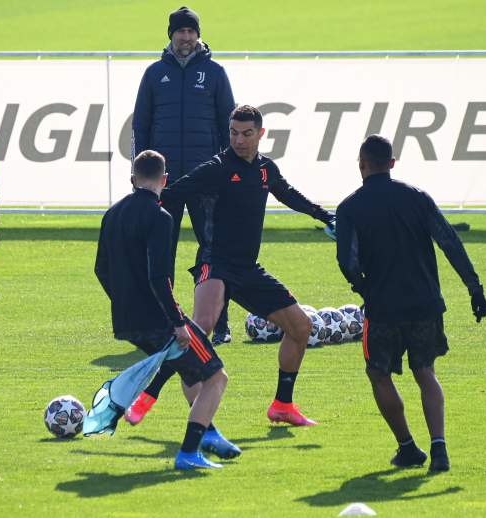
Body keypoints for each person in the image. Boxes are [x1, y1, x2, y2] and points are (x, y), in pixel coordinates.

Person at [135, 105, 336, 428]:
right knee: (199, 332)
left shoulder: (266, 171)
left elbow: (289, 195)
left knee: (301, 327)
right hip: (214, 264)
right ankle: (152, 395)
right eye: (233, 133)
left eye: (246, 134)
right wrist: (138, 208)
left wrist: (324, 216)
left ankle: (283, 405)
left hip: (248, 270)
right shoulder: (217, 167)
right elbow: (173, 192)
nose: (239, 140)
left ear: (260, 134)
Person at [336, 134, 486, 472]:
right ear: (391, 164)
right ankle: (439, 449)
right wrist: (474, 287)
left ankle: (407, 446)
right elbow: (449, 241)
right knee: (425, 372)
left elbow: (347, 262)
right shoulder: (418, 198)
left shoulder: (349, 208)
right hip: (425, 305)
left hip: (383, 308)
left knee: (378, 373)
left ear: (361, 163)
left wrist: (362, 287)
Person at [95, 150, 239, 469]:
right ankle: (189, 453)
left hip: (127, 320)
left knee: (190, 372)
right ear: (164, 180)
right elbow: (159, 277)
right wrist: (178, 323)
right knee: (216, 376)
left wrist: (124, 302)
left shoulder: (112, 214)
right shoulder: (160, 217)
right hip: (159, 319)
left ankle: (210, 433)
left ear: (133, 179)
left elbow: (101, 269)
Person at [126, 5, 236, 425]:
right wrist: (143, 172)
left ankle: (217, 324)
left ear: (198, 35)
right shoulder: (155, 74)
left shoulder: (216, 73)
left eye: (191, 32)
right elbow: (142, 127)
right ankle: (162, 322)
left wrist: (225, 170)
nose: (185, 38)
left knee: (212, 252)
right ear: (170, 36)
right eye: (180, 32)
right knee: (162, 255)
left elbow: (229, 124)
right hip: (165, 183)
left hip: (206, 179)